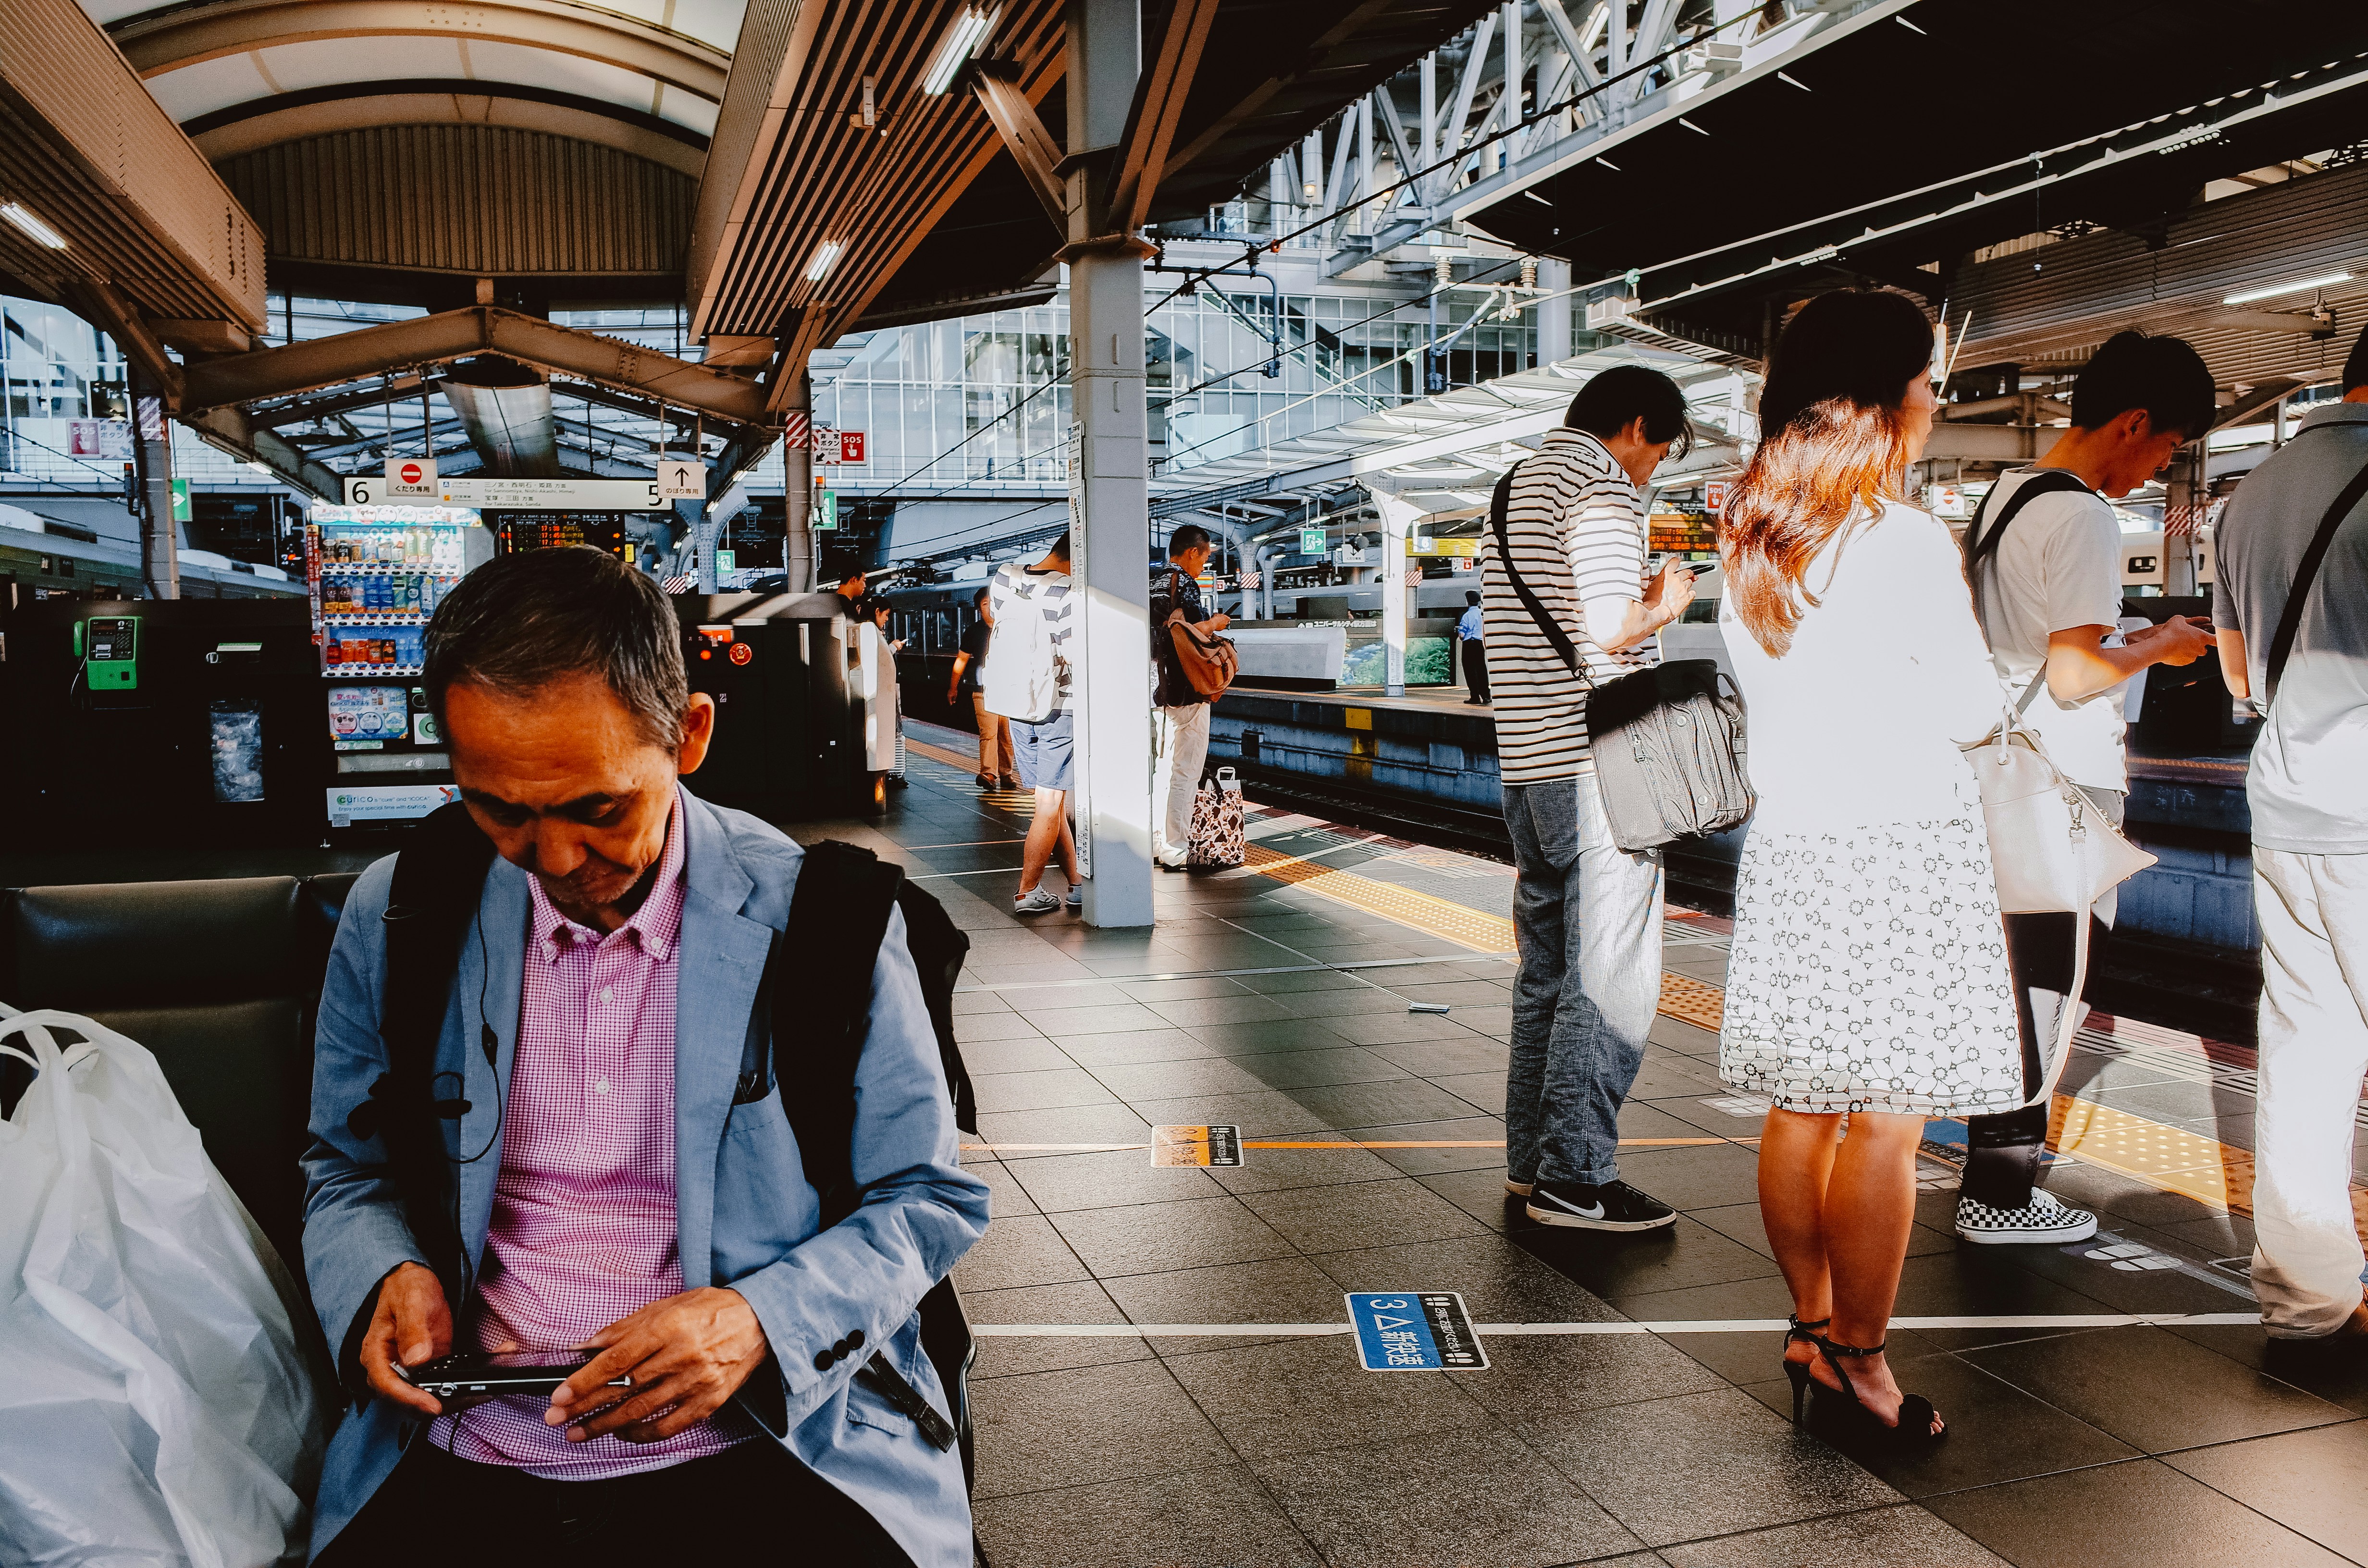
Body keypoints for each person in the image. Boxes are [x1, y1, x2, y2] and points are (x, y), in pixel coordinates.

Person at [301, 548, 988, 1566]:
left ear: (691, 735)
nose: (557, 863)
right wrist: (383, 1272)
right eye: (501, 811)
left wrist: (757, 1320)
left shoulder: (826, 923)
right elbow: (342, 1168)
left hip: (768, 1437)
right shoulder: (402, 915)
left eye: (598, 809)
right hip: (462, 1444)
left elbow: (925, 1198)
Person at [1719, 288, 2025, 1450]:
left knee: (1805, 1110)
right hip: (1900, 850)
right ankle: (1862, 1360)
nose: (1937, 398)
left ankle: (1808, 1327)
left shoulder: (1753, 530)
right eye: (1931, 379)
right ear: (1882, 395)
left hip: (1797, 847)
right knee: (1888, 1125)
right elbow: (1963, 707)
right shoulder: (1896, 539)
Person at [1955, 331, 2220, 1245]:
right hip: (2058, 779)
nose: (2158, 467)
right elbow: (2071, 674)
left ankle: (1995, 1170)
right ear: (2135, 422)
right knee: (2048, 986)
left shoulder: (2003, 495)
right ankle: (2001, 1189)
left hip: (1997, 768)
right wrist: (2160, 644)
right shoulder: (2080, 516)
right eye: (2165, 447)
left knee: (2007, 981)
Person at [1480, 364, 1697, 1231]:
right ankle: (1576, 1176)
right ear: (1637, 426)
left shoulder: (1516, 485)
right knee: (1608, 972)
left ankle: (1533, 1163)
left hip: (1528, 765)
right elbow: (1608, 630)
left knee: (1545, 972)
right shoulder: (1600, 488)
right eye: (1661, 449)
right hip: (1596, 766)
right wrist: (1665, 600)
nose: (1653, 469)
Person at [2212, 323, 2368, 1339]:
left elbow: (2237, 679)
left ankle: (2308, 1303)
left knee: (2308, 1051)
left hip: (2288, 800)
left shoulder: (2249, 494)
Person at [987, 534, 1083, 915]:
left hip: (1017, 702)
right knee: (1049, 801)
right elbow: (1076, 654)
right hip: (1059, 708)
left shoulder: (1005, 578)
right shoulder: (1067, 593)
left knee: (1050, 800)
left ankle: (1077, 884)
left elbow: (999, 625)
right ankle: (1027, 891)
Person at [1151, 524, 1232, 871]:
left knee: (1159, 769)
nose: (1204, 565)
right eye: (1205, 557)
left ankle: (1155, 842)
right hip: (1185, 692)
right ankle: (1175, 848)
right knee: (1185, 771)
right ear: (1192, 552)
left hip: (1153, 690)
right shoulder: (1184, 582)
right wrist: (1215, 623)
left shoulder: (1151, 580)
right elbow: (1191, 637)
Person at [947, 586, 1018, 791]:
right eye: (986, 604)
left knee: (1006, 734)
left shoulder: (1010, 629)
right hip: (982, 691)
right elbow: (961, 661)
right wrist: (954, 687)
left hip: (1007, 690)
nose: (991, 608)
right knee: (988, 732)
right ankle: (988, 773)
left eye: (993, 603)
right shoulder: (974, 631)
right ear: (979, 608)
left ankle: (1006, 773)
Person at [869, 597, 909, 790]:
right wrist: (892, 647)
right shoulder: (870, 632)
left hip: (883, 693)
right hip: (881, 695)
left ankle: (891, 772)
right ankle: (891, 775)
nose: (886, 620)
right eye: (886, 615)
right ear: (877, 611)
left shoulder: (874, 631)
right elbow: (878, 659)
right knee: (890, 734)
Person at [1456, 589, 1488, 703]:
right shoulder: (1482, 615)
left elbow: (1462, 635)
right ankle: (1486, 696)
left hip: (1469, 645)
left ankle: (1475, 697)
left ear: (1468, 602)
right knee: (1481, 669)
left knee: (1470, 670)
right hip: (1480, 645)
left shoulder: (1467, 616)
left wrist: (1461, 635)